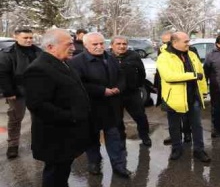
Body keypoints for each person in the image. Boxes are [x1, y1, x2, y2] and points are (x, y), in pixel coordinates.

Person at [23, 28, 92, 187]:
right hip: (55, 136)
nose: (73, 48)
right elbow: (38, 105)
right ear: (50, 47)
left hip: (67, 134)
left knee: (62, 172)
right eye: (68, 44)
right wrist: (72, 116)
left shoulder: (62, 63)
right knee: (54, 174)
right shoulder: (39, 69)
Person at [68, 32, 131, 178]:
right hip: (91, 107)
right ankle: (94, 163)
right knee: (92, 138)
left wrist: (119, 88)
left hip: (112, 106)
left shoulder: (111, 58)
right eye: (95, 44)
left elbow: (121, 76)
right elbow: (79, 84)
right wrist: (102, 91)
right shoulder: (76, 62)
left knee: (114, 137)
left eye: (101, 43)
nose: (99, 47)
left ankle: (119, 166)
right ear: (85, 45)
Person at [156, 32, 210, 162]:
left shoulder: (191, 54)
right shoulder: (164, 57)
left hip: (193, 97)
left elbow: (201, 73)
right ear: (175, 42)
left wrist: (203, 90)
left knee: (197, 125)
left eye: (188, 41)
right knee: (174, 126)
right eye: (185, 41)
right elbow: (169, 76)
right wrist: (193, 76)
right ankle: (177, 149)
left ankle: (199, 150)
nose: (188, 44)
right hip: (173, 98)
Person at [0, 28, 42, 159]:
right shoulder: (8, 53)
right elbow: (2, 73)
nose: (29, 40)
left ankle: (38, 143)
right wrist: (8, 91)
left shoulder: (38, 51)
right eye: (25, 38)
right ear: (16, 37)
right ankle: (13, 145)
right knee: (15, 118)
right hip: (17, 92)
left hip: (36, 91)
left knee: (40, 117)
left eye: (30, 37)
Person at [155, 31, 198, 145]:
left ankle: (187, 135)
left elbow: (199, 71)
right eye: (164, 42)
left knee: (188, 118)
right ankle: (176, 144)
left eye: (167, 41)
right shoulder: (163, 54)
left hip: (189, 91)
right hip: (172, 93)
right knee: (174, 122)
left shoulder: (191, 52)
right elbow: (165, 74)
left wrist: (202, 91)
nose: (165, 44)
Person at [110, 35, 152, 147]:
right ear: (112, 45)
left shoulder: (133, 56)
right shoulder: (107, 56)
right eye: (118, 44)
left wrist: (137, 85)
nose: (122, 46)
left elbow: (142, 73)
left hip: (132, 93)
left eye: (124, 44)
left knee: (141, 117)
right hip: (115, 94)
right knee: (117, 120)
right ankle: (121, 139)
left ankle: (145, 137)